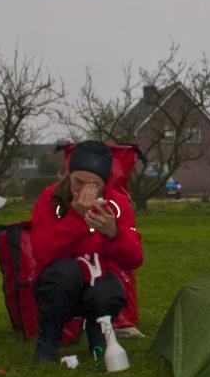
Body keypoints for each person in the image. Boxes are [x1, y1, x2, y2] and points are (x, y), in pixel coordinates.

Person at [29, 140, 143, 364]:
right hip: (60, 285)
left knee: (107, 289)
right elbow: (42, 252)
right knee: (66, 272)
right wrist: (76, 218)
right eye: (78, 182)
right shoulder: (51, 199)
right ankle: (49, 341)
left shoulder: (117, 204)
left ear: (105, 184)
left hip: (98, 283)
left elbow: (135, 259)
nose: (83, 191)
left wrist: (114, 233)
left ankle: (98, 335)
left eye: (93, 184)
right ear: (68, 176)